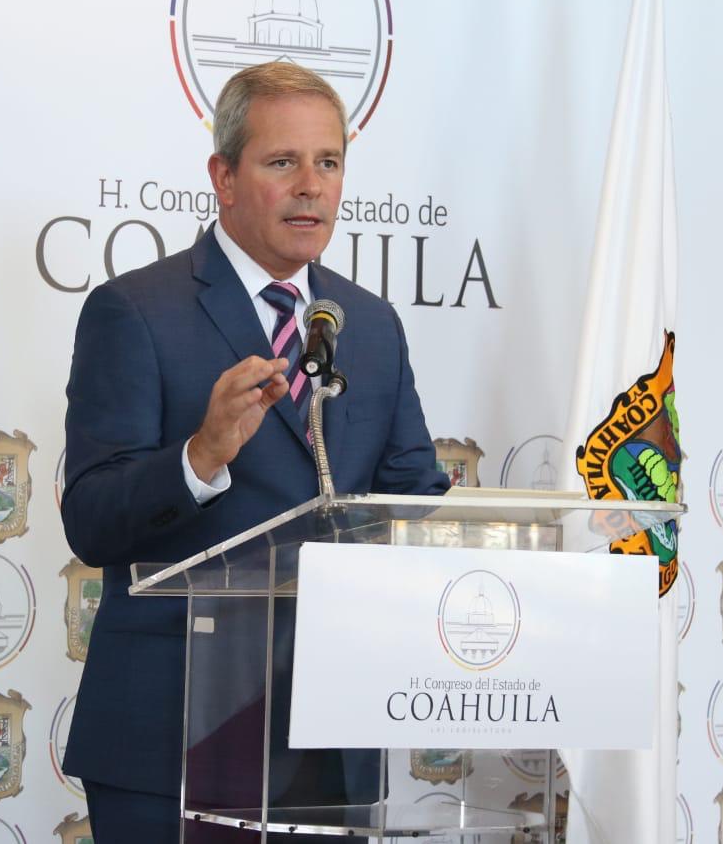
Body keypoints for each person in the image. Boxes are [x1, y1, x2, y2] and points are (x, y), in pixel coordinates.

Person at [61, 61, 450, 842]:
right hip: (171, 741)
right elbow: (91, 520)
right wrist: (200, 457)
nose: (311, 186)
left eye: (328, 162)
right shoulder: (134, 311)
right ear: (224, 178)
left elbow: (413, 498)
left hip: (332, 738)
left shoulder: (369, 325)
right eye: (283, 162)